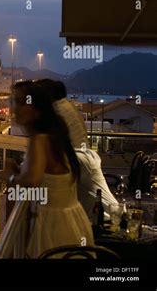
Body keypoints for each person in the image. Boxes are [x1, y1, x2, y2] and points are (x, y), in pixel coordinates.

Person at [8, 81, 94, 258]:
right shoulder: (56, 135)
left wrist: (10, 177)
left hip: (54, 227)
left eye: (22, 102)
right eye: (14, 102)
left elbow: (32, 179)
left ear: (37, 109)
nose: (15, 109)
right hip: (73, 221)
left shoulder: (39, 139)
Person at [36, 79, 118, 219]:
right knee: (93, 198)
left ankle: (115, 218)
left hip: (76, 159)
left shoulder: (55, 111)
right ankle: (115, 217)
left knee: (90, 199)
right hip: (84, 157)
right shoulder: (68, 106)